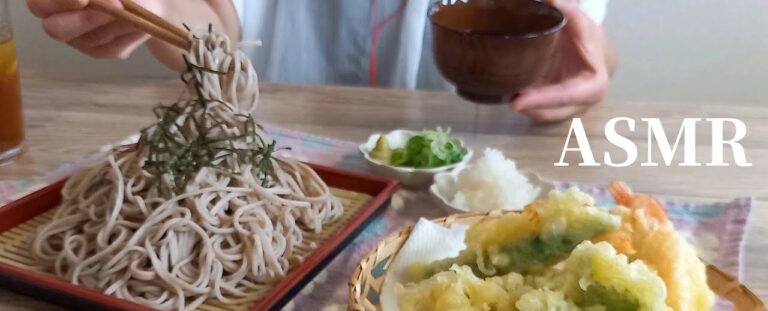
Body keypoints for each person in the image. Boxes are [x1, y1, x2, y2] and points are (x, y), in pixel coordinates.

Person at [25, 0, 615, 123]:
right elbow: (211, 21)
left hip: (474, 188)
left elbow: (592, 43)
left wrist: (589, 75)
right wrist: (145, 7)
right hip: (287, 167)